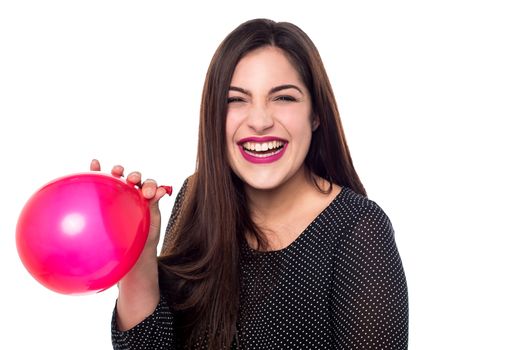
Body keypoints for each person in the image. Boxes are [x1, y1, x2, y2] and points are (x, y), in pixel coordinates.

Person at [94, 18, 409, 349]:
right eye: (236, 100)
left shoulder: (359, 230)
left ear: (315, 115)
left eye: (284, 98)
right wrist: (139, 255)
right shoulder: (197, 197)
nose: (259, 121)